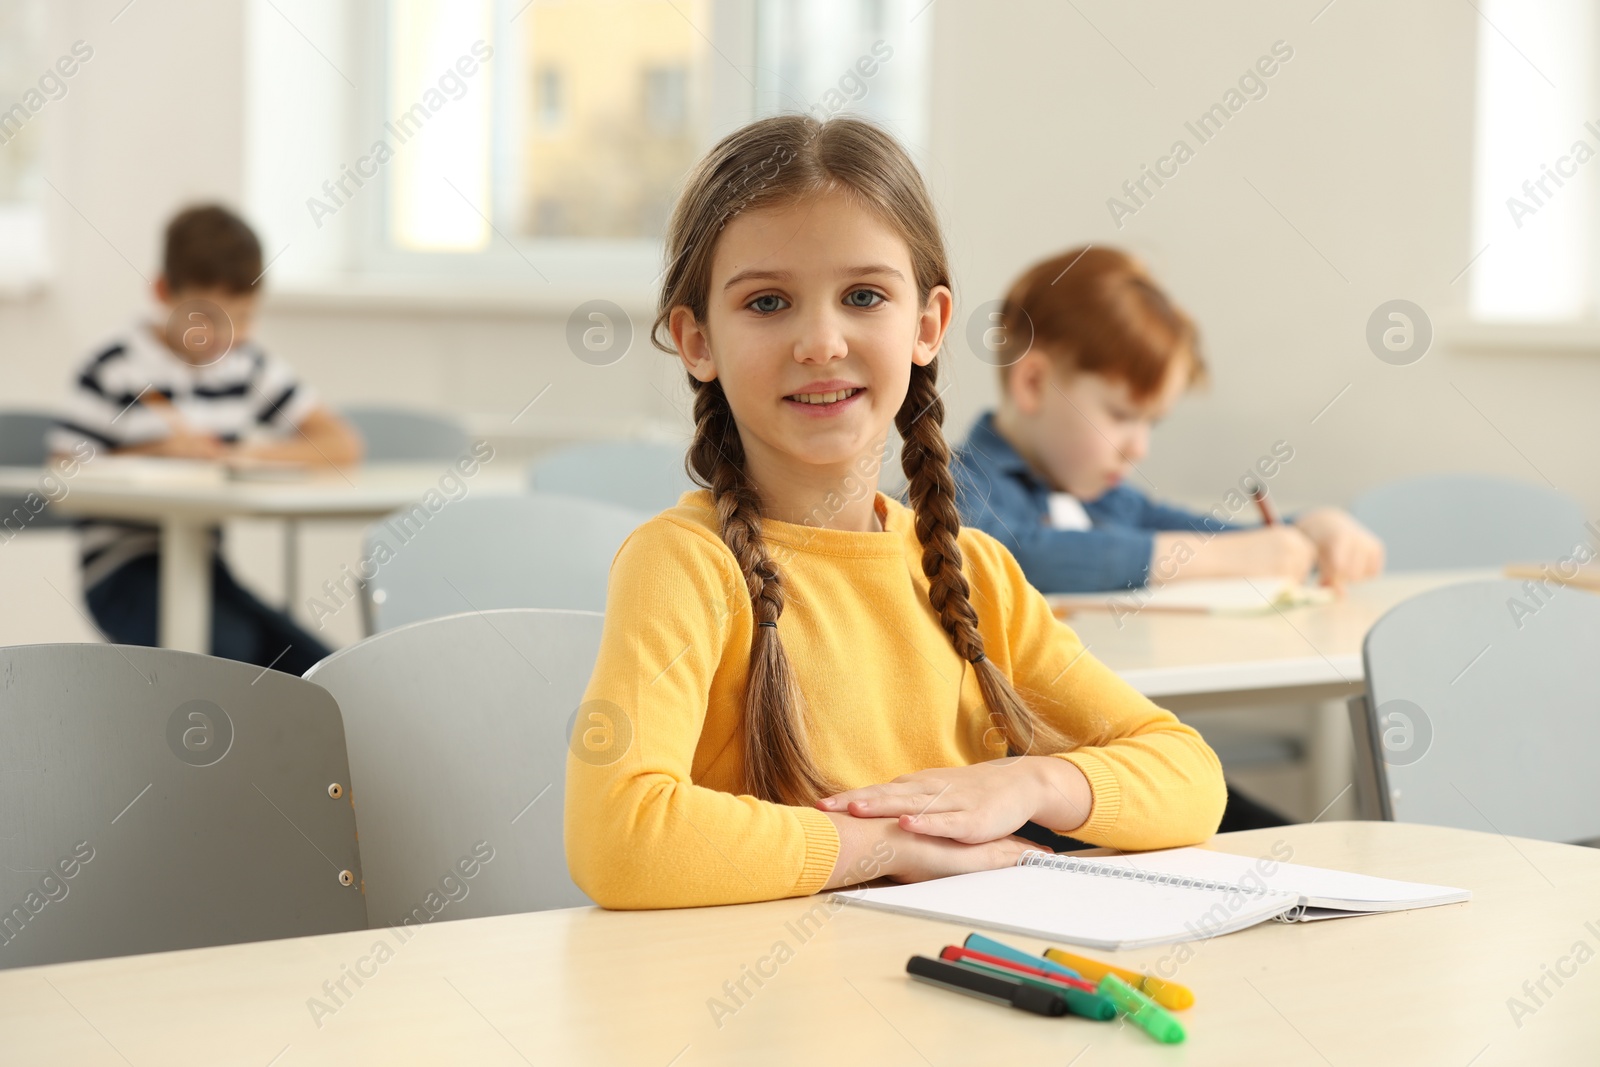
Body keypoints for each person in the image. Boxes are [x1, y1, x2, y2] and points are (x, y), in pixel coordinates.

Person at [563, 117, 1227, 910]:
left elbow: (1190, 775)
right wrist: (886, 845)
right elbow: (620, 838)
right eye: (768, 302)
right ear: (696, 340)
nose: (821, 340)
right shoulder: (682, 564)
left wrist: (1028, 782)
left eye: (864, 296)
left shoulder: (977, 574)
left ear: (927, 326)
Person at [951, 246, 1384, 594]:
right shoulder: (953, 486)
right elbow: (1000, 557)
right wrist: (1218, 561)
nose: (1138, 449)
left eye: (1151, 423)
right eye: (1121, 415)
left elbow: (1217, 538)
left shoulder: (1104, 498)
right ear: (1033, 384)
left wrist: (1310, 529)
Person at [48, 204, 362, 675]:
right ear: (162, 291)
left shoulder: (244, 365)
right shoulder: (114, 366)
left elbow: (340, 443)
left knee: (324, 671)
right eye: (207, 319)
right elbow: (62, 474)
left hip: (205, 567)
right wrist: (155, 455)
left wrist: (239, 455)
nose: (223, 336)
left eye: (242, 318)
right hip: (121, 571)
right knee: (229, 657)